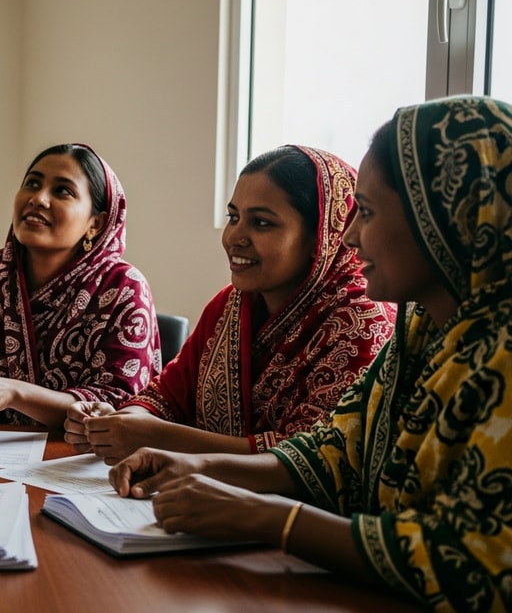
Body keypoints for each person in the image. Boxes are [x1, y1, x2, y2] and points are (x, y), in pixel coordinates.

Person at [111, 96, 512, 610]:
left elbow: (470, 562)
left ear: (445, 217)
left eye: (366, 213)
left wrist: (263, 516)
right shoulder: (422, 332)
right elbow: (334, 452)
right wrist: (197, 467)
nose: (348, 235)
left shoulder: (495, 354)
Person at [65, 146, 395, 460]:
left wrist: (155, 437)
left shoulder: (359, 323)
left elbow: (307, 460)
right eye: (233, 217)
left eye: (262, 222)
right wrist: (121, 421)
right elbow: (167, 394)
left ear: (321, 237)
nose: (234, 237)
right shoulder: (233, 305)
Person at [0, 143, 160, 435]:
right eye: (32, 183)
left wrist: (14, 392)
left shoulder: (122, 288)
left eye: (62, 190)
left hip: (75, 467)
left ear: (95, 224)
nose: (38, 198)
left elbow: (119, 404)